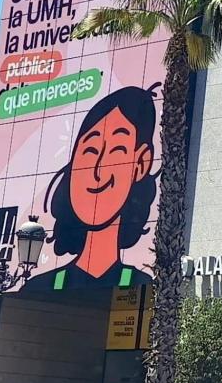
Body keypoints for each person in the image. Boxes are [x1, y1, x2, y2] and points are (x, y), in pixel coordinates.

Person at [26, 86, 160, 291]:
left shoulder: (145, 283)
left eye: (117, 149)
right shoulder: (38, 286)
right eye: (90, 150)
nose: (98, 171)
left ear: (141, 163)